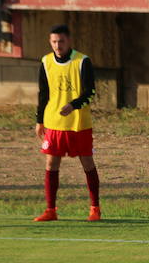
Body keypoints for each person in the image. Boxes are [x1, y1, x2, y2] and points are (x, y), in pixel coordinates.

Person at [33, 24, 101, 222]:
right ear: (50, 42)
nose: (58, 45)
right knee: (51, 163)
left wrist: (73, 105)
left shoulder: (82, 61)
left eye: (61, 41)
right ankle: (50, 210)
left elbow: (90, 92)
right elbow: (43, 93)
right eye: (54, 41)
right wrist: (39, 120)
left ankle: (95, 208)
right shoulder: (46, 62)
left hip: (79, 123)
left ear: (69, 41)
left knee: (87, 162)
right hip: (54, 122)